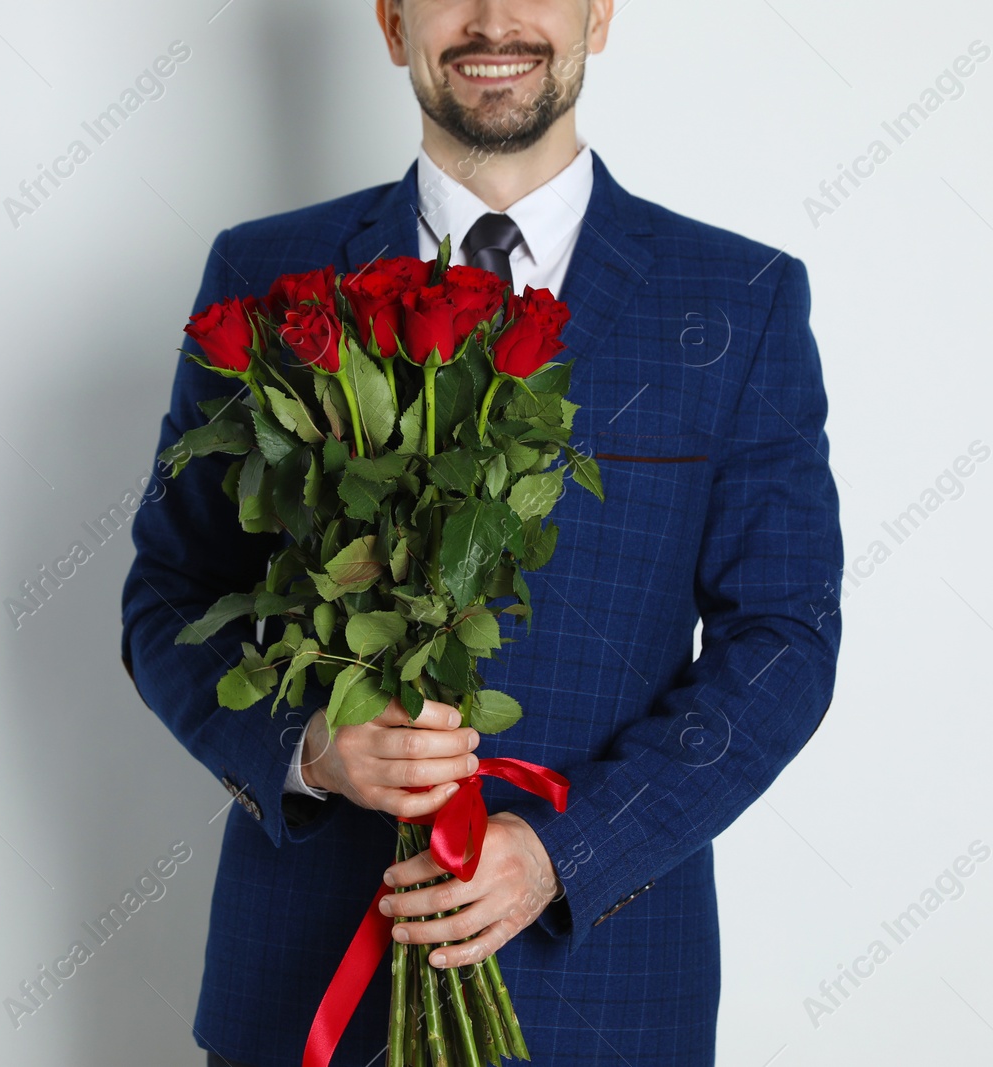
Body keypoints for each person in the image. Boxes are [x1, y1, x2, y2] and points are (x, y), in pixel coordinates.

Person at [120, 1, 843, 1063]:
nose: (494, 18)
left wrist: (566, 849)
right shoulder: (264, 275)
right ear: (390, 20)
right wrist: (306, 750)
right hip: (305, 979)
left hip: (605, 984)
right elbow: (170, 594)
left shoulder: (739, 301)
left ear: (597, 15)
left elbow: (780, 640)